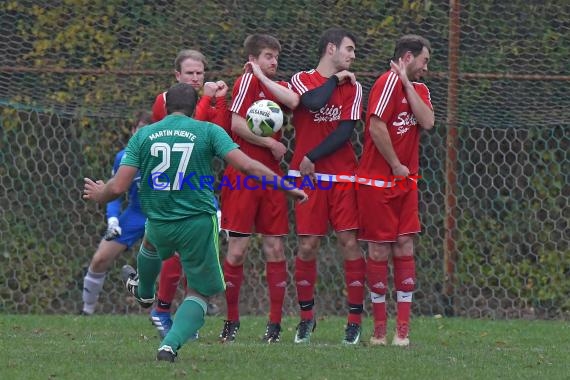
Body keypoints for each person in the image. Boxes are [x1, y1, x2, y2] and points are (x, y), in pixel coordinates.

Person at [82, 83, 307, 362]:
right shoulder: (208, 131)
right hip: (197, 223)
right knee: (198, 293)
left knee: (151, 243)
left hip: (160, 221)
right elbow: (247, 165)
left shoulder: (145, 136)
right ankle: (169, 345)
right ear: (194, 107)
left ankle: (144, 292)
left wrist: (98, 194)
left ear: (165, 109)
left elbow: (118, 186)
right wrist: (284, 185)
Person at [218, 34, 300, 344]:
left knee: (275, 248)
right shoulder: (245, 83)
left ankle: (275, 325)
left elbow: (293, 102)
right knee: (237, 251)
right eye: (267, 56)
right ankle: (231, 321)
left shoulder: (272, 84)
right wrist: (268, 142)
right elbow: (237, 125)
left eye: (276, 56)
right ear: (253, 58)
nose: (274, 61)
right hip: (242, 176)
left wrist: (263, 74)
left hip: (271, 179)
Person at [356, 35, 434, 347]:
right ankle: (378, 331)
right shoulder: (385, 82)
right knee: (378, 251)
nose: (426, 68)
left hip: (406, 184)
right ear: (407, 56)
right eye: (423, 61)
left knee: (405, 247)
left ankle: (402, 331)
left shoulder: (419, 89)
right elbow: (376, 126)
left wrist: (408, 83)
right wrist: (396, 164)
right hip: (378, 184)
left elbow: (427, 122)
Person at [288, 27, 365, 345]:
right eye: (349, 49)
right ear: (331, 49)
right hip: (306, 179)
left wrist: (312, 155)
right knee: (307, 246)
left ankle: (354, 320)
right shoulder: (300, 80)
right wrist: (334, 79)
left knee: (349, 242)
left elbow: (344, 132)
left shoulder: (355, 87)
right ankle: (306, 318)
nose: (352, 55)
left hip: (342, 176)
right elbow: (314, 103)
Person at [150, 49, 230, 338]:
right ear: (177, 76)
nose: (196, 78)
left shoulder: (203, 99)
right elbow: (191, 126)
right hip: (170, 191)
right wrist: (208, 99)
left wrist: (219, 101)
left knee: (192, 257)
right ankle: (160, 309)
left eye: (200, 73)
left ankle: (180, 315)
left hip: (196, 188)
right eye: (190, 73)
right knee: (173, 253)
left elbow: (219, 133)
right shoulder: (165, 101)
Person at [80, 110, 152, 315]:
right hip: (135, 214)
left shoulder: (167, 154)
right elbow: (115, 192)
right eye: (140, 130)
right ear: (132, 131)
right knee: (100, 258)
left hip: (160, 215)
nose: (143, 136)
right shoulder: (124, 157)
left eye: (148, 132)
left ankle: (193, 304)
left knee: (177, 261)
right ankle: (87, 311)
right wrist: (113, 220)